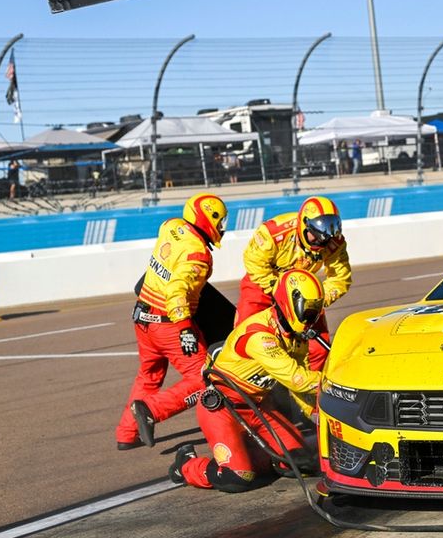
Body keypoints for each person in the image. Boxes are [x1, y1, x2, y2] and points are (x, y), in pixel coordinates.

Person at [169, 269, 324, 492]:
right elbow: (298, 379)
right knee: (237, 478)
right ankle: (186, 465)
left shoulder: (296, 337)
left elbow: (297, 387)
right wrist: (333, 383)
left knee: (300, 462)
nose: (312, 318)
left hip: (258, 407)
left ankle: (248, 453)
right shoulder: (260, 336)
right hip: (222, 409)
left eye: (316, 311)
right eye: (308, 310)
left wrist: (315, 415)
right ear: (291, 303)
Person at [116, 192, 229, 450]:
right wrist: (185, 329)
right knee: (206, 377)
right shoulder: (199, 255)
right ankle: (152, 411)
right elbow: (178, 291)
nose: (222, 227)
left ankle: (126, 433)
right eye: (220, 221)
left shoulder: (171, 226)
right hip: (168, 322)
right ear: (207, 219)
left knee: (149, 375)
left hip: (142, 315)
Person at [237, 196, 350, 371]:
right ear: (304, 224)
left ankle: (311, 388)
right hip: (263, 285)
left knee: (319, 348)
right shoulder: (273, 231)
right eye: (318, 233)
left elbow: (340, 278)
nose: (323, 240)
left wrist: (318, 300)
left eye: (330, 229)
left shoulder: (334, 242)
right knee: (244, 335)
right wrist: (275, 288)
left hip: (303, 292)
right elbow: (254, 262)